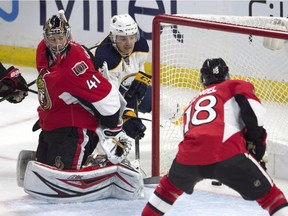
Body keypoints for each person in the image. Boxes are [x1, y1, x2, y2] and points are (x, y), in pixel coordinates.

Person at [142, 58, 288, 216]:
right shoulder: (235, 85)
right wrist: (257, 146)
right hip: (227, 154)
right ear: (227, 75)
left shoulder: (193, 103)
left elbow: (193, 133)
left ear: (202, 79)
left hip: (187, 158)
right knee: (270, 196)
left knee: (166, 191)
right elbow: (253, 116)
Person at [34, 11, 131, 170]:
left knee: (64, 169)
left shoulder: (75, 67)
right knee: (44, 163)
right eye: (53, 39)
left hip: (77, 127)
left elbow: (108, 97)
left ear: (68, 36)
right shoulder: (42, 51)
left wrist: (113, 129)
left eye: (61, 38)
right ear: (46, 39)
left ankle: (98, 163)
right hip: (52, 121)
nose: (57, 44)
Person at [92, 13, 149, 140]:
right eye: (123, 39)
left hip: (126, 89)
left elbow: (140, 67)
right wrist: (125, 115)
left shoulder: (141, 45)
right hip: (98, 101)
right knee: (112, 136)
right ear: (113, 38)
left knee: (158, 101)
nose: (129, 43)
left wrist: (142, 83)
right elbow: (108, 101)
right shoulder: (106, 59)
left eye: (131, 37)